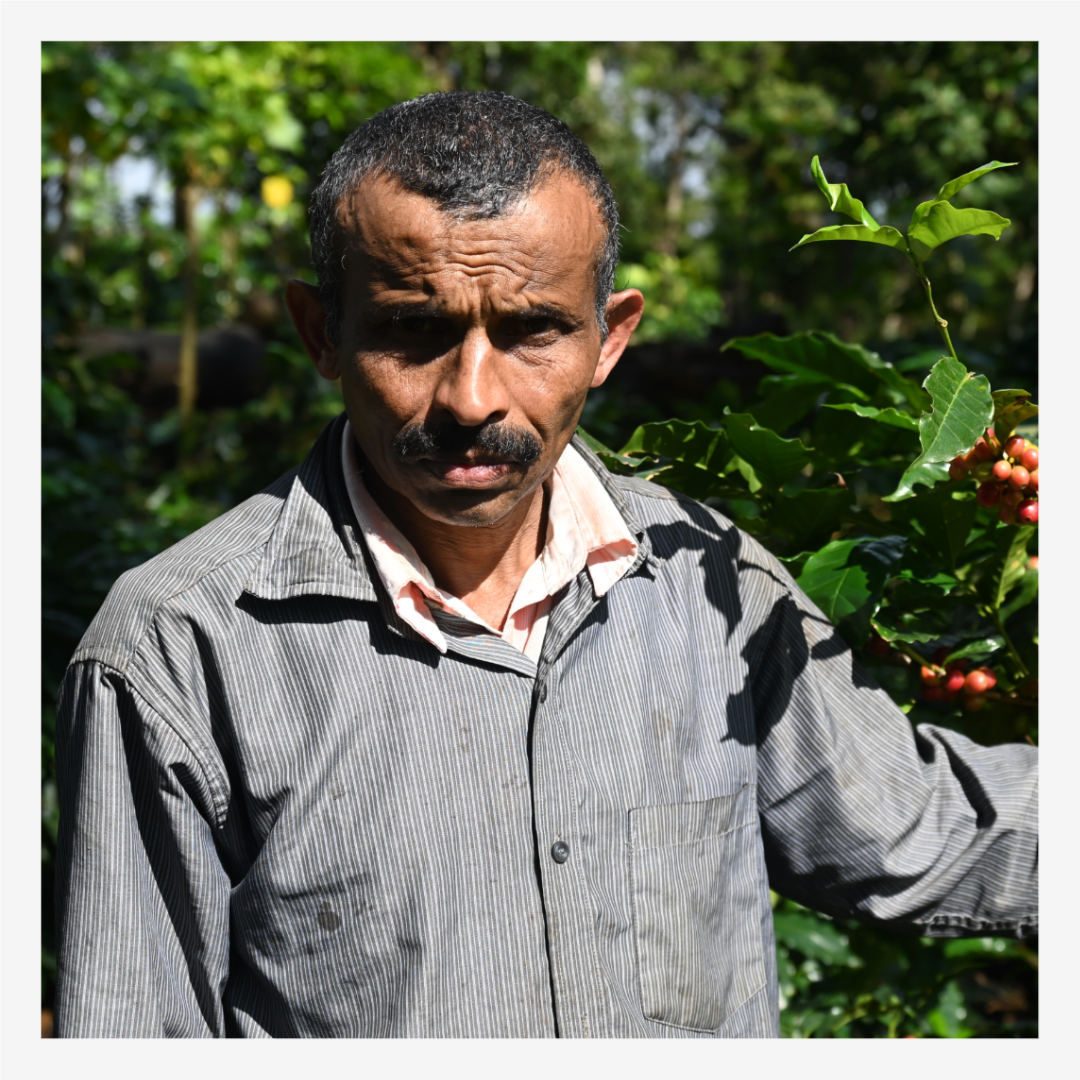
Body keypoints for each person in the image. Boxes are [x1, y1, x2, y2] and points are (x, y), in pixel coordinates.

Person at [53, 91, 1038, 1039]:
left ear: (608, 340)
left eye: (532, 330)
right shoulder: (180, 650)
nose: (472, 397)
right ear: (323, 333)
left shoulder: (712, 588)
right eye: (413, 329)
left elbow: (935, 829)